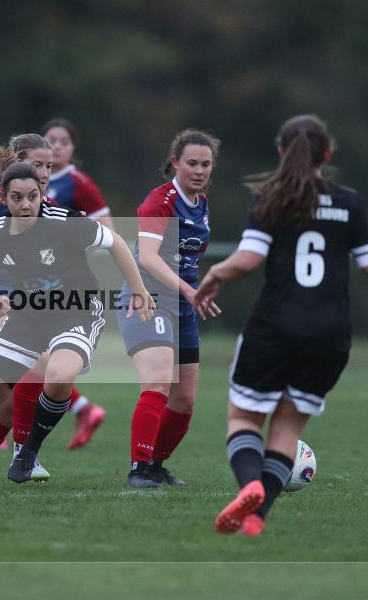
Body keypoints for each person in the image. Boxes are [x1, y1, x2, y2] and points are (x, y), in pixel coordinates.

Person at [192, 115, 368, 535]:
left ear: (281, 152)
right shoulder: (350, 202)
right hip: (331, 333)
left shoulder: (271, 198)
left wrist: (215, 276)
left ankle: (250, 486)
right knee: (287, 426)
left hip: (276, 326)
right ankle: (256, 520)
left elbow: (247, 260)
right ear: (328, 154)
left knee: (244, 418)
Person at [0, 162, 155, 488]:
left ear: (42, 194)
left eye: (33, 196)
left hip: (77, 312)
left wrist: (140, 290)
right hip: (26, 316)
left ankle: (29, 451)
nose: (26, 204)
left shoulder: (66, 223)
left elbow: (115, 242)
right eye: (17, 197)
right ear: (3, 198)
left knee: (58, 377)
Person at [0, 134, 98, 485]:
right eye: (37, 165)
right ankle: (24, 451)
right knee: (37, 363)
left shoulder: (47, 205)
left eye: (50, 166)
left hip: (26, 301)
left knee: (5, 398)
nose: (46, 172)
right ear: (15, 165)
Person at [118, 129, 223, 488]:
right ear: (176, 163)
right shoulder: (159, 201)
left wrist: (198, 291)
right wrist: (189, 290)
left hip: (183, 305)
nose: (199, 170)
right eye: (192, 163)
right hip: (147, 299)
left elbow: (185, 260)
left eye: (206, 164)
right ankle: (138, 468)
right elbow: (146, 258)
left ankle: (155, 466)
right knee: (158, 382)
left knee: (185, 400)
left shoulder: (202, 205)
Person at [41, 117, 110, 449]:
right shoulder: (25, 180)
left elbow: (106, 228)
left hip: (62, 286)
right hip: (31, 280)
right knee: (23, 355)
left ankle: (3, 430)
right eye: (51, 139)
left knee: (27, 355)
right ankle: (82, 408)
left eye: (63, 141)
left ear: (72, 148)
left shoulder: (78, 183)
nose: (56, 146)